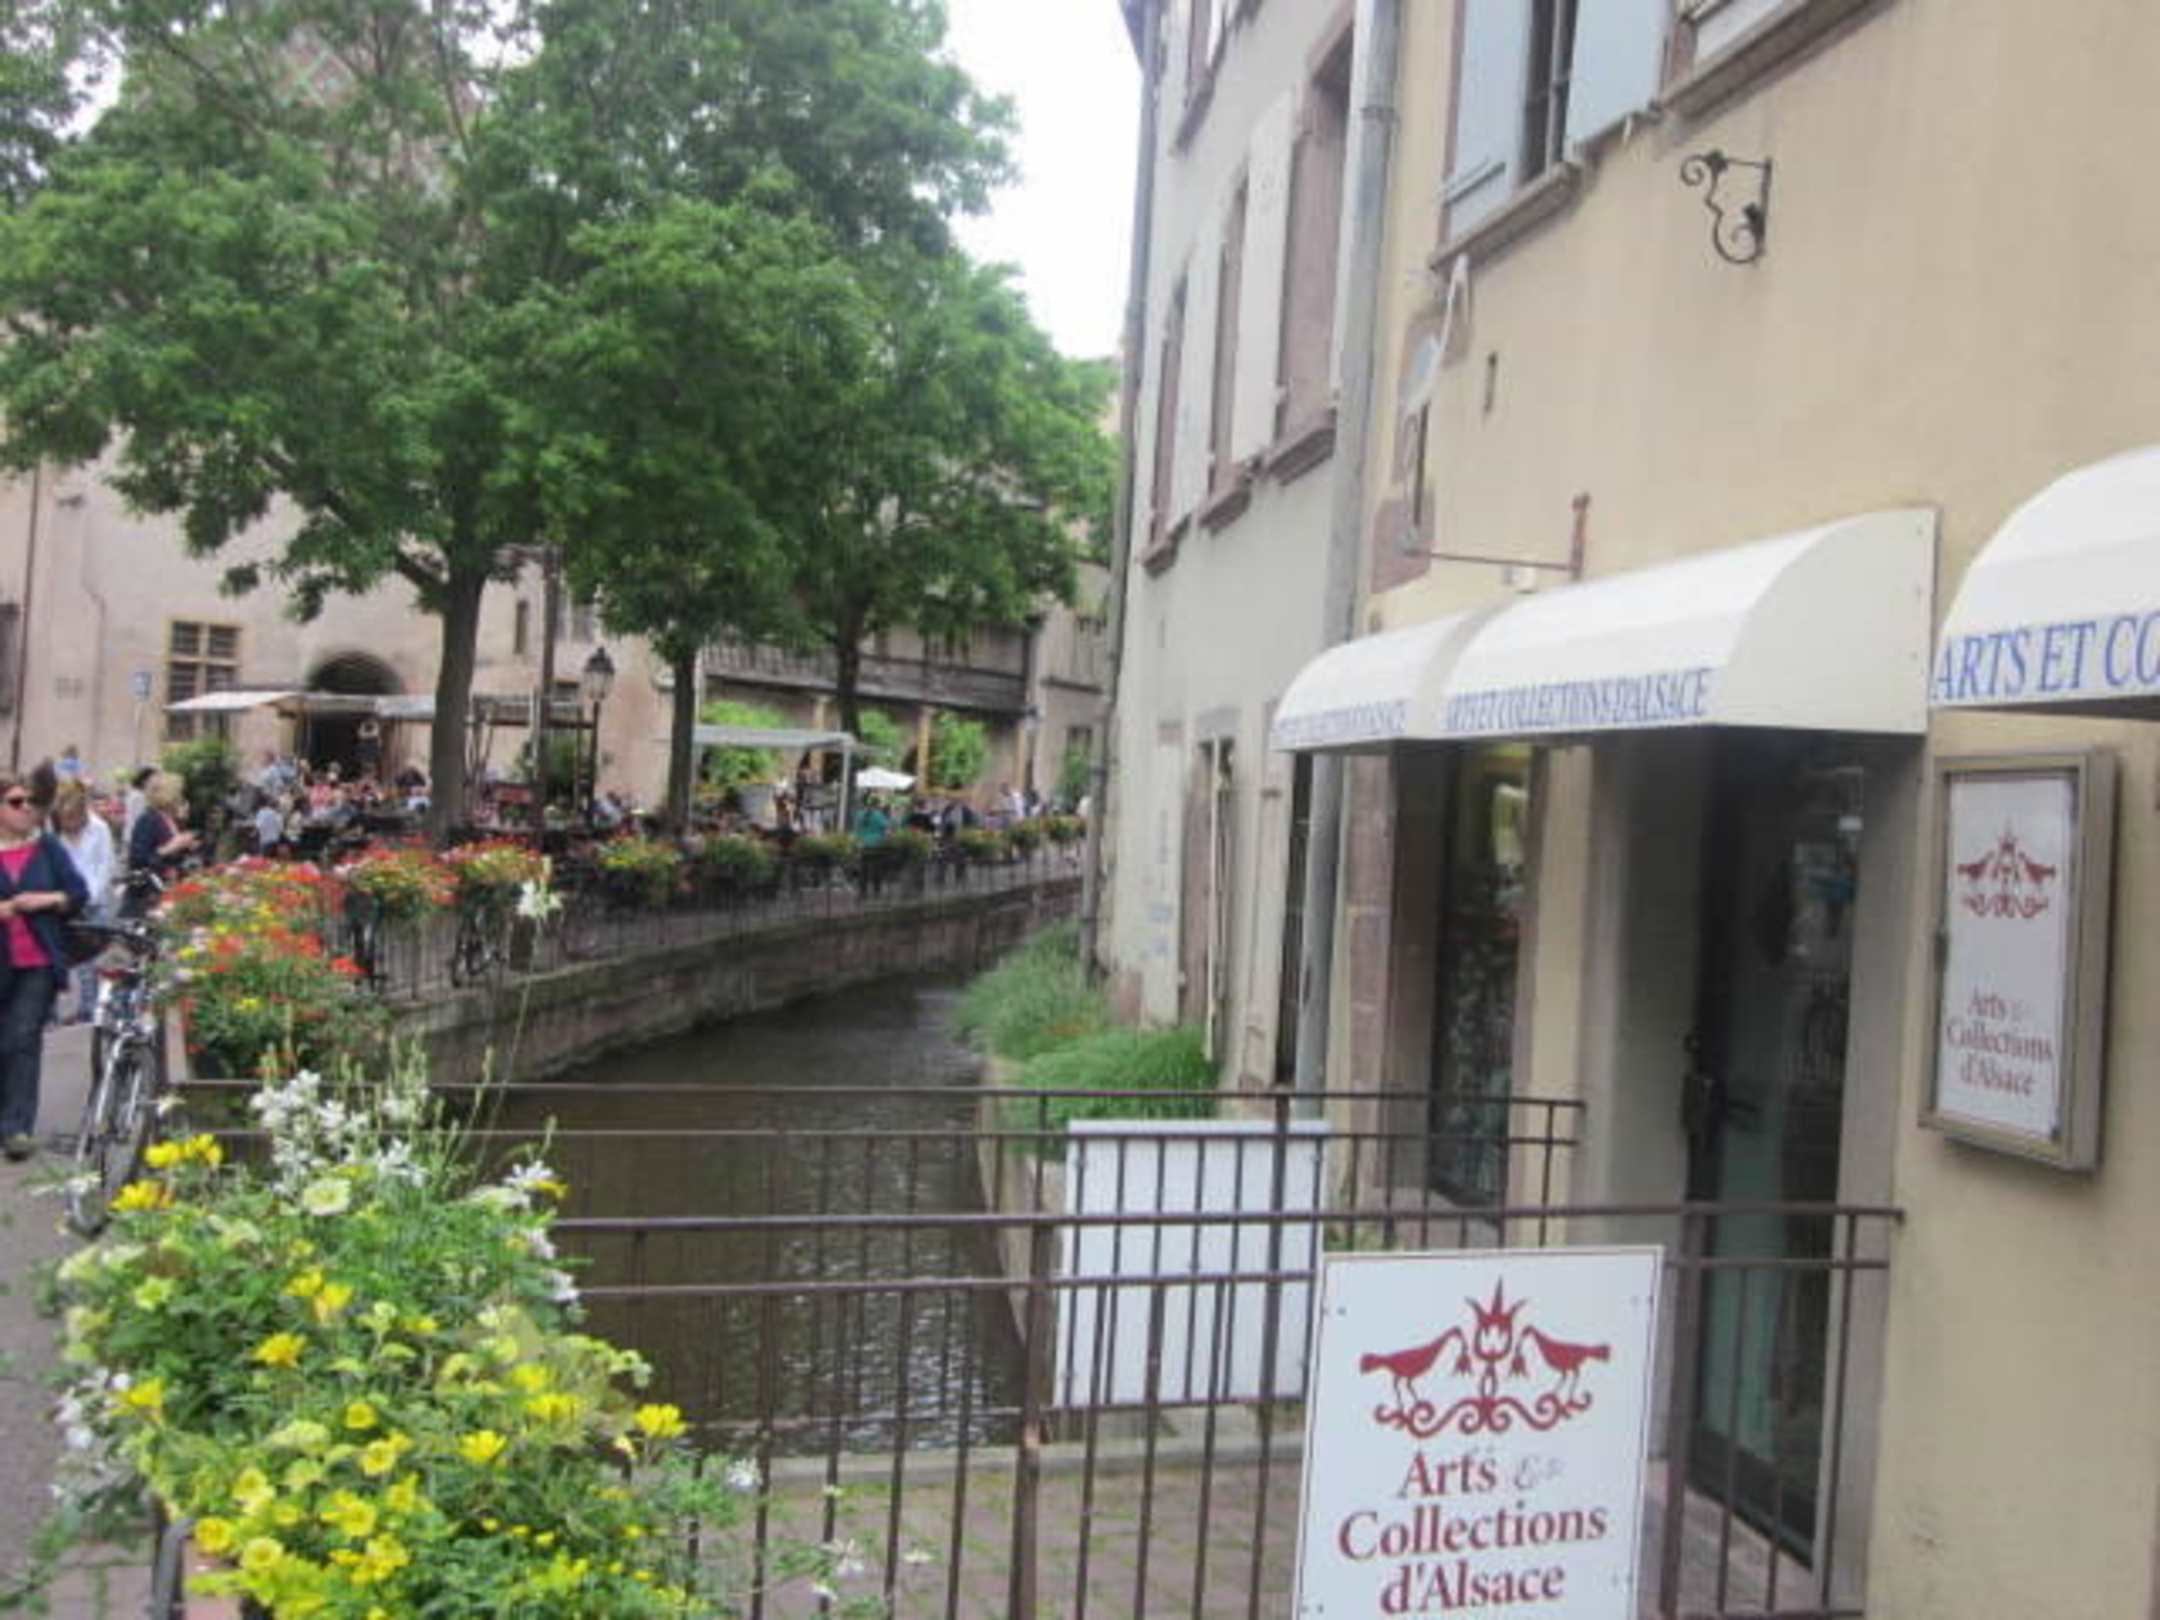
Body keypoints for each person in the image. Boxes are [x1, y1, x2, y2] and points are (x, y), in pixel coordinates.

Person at [0, 773, 89, 1157]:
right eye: (16, 802)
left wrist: (47, 899)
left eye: (31, 802)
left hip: (37, 960)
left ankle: (16, 1128)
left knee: (22, 1038)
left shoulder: (47, 846)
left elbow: (78, 893)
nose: (26, 809)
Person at [51, 781, 114, 1024]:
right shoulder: (55, 833)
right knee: (65, 958)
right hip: (65, 902)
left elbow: (105, 867)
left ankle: (91, 1008)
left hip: (93, 902)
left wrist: (90, 897)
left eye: (73, 818)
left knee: (92, 960)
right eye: (64, 819)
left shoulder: (99, 829)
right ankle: (58, 1012)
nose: (69, 824)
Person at [124, 773, 198, 914]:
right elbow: (138, 859)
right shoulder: (148, 819)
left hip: (166, 887)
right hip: (148, 894)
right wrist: (171, 847)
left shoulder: (169, 819)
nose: (181, 798)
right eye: (179, 793)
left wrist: (186, 845)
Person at [253, 791, 286, 857]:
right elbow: (281, 829)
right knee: (272, 858)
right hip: (275, 840)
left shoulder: (261, 812)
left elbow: (258, 826)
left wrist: (254, 833)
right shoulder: (278, 814)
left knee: (262, 856)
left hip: (264, 839)